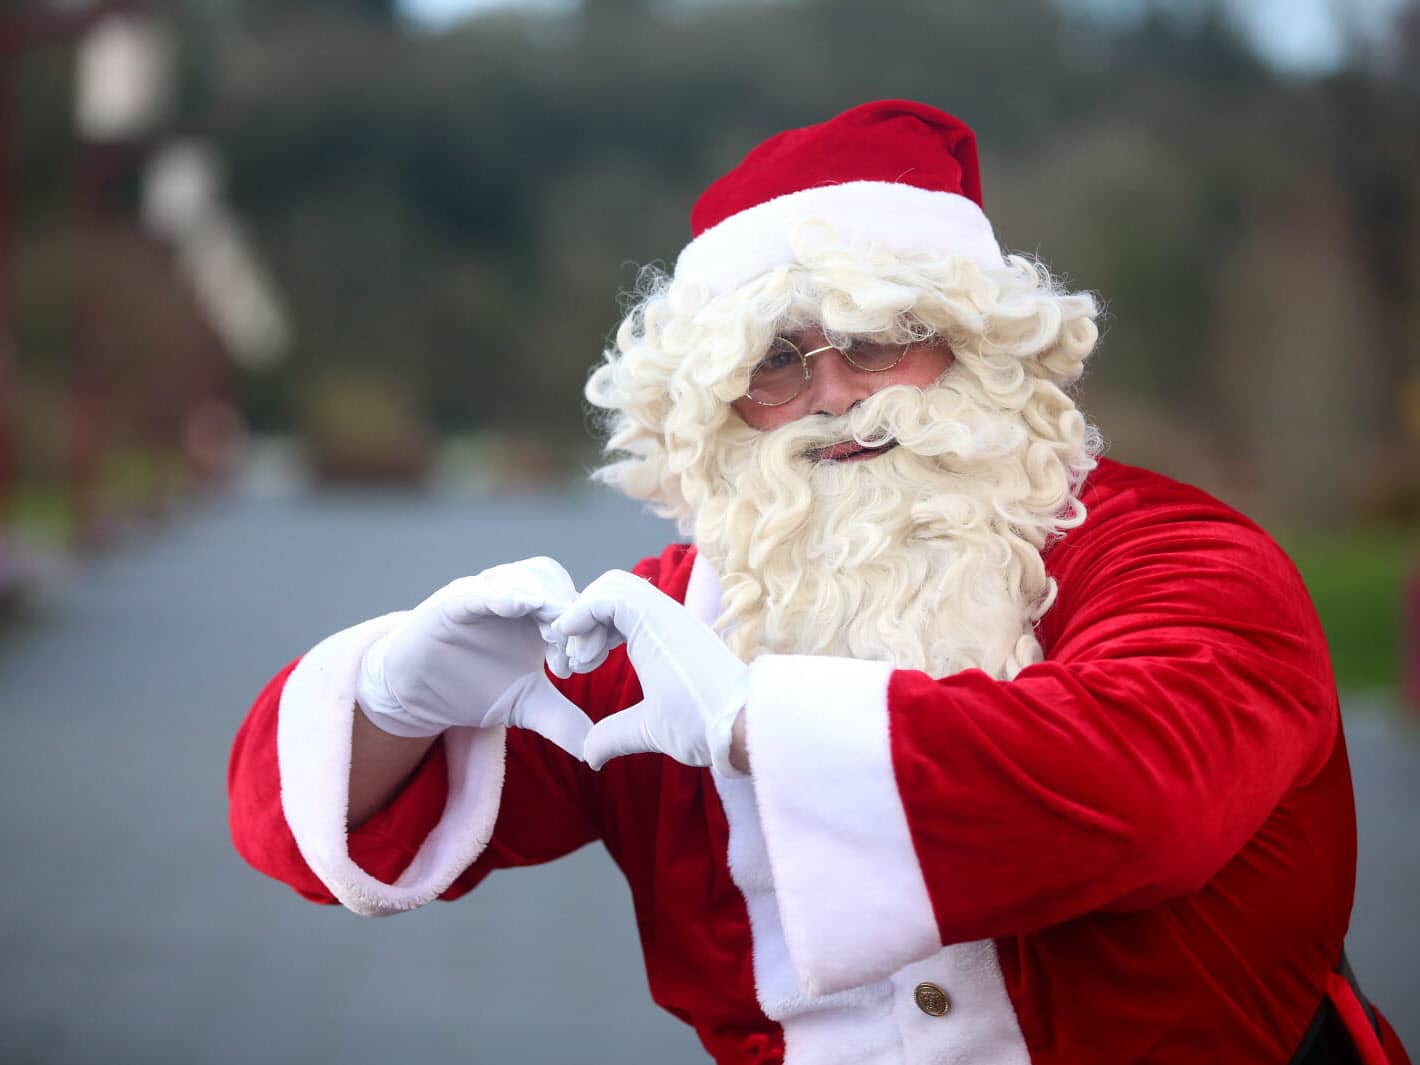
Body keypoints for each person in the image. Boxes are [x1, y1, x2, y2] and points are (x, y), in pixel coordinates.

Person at [227, 100, 1413, 1065]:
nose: (834, 392)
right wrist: (396, 700)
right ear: (710, 408)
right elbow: (309, 829)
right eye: (776, 362)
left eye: (881, 336)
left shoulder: (1177, 556)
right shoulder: (674, 615)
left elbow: (1141, 796)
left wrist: (756, 730)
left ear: (979, 347)